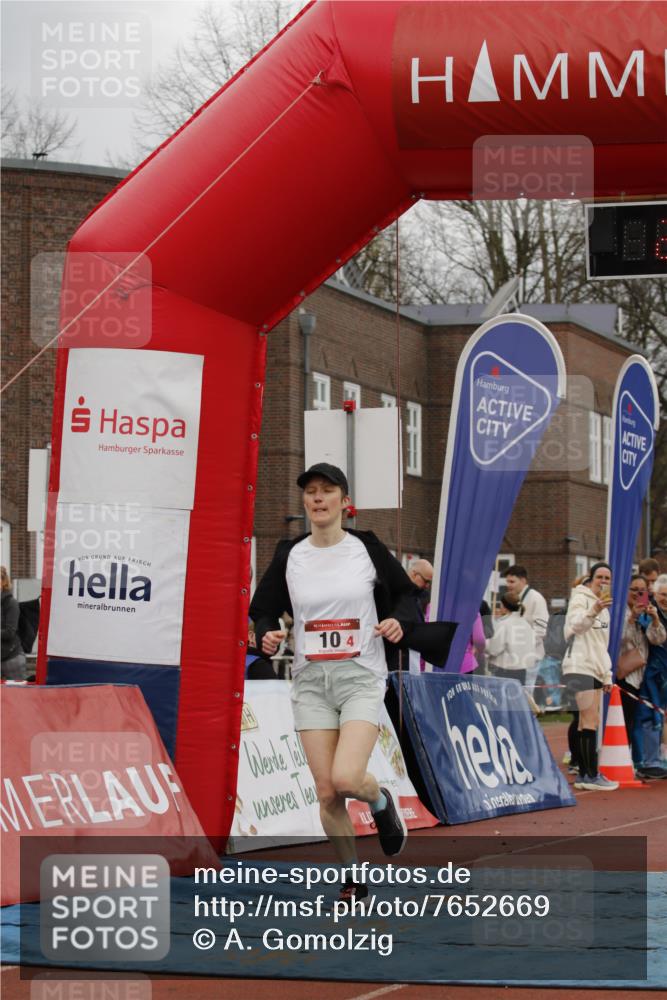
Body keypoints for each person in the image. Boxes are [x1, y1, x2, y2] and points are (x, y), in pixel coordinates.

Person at [250, 463, 416, 905]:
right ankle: (353, 877)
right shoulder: (291, 554)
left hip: (360, 675)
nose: (317, 499)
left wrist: (398, 620)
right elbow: (262, 609)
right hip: (310, 680)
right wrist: (268, 631)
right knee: (326, 791)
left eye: (327, 491)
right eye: (310, 493)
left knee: (346, 778)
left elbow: (405, 594)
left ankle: (380, 799)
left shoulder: (366, 548)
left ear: (345, 502)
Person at [561, 561, 618, 791]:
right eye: (600, 577)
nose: (603, 582)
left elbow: (601, 645)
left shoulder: (605, 609)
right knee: (588, 720)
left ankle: (586, 774)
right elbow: (574, 626)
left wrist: (606, 675)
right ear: (591, 578)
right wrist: (593, 609)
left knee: (588, 721)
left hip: (594, 667)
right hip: (579, 665)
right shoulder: (580, 598)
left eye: (607, 578)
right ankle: (590, 774)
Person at [617, 574, 666, 768]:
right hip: (622, 673)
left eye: (642, 590)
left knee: (637, 719)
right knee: (627, 720)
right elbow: (618, 640)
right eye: (634, 590)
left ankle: (638, 760)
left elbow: (658, 639)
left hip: (640, 674)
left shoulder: (648, 613)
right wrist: (632, 618)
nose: (639, 593)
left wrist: (654, 619)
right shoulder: (619, 613)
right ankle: (632, 760)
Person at [502, 565, 548, 696]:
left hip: (529, 656)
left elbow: (541, 629)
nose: (508, 585)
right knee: (515, 694)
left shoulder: (535, 598)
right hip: (514, 657)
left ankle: (527, 716)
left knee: (526, 694)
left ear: (523, 581)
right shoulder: (512, 599)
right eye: (507, 581)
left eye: (512, 581)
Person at [486, 595, 537, 686]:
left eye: (501, 605)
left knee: (501, 698)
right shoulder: (527, 624)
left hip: (504, 669)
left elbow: (494, 649)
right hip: (521, 669)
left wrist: (486, 645)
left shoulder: (503, 624)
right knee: (516, 698)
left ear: (505, 608)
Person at [1, 566, 27, 681]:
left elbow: (10, 632)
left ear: (3, 582)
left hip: (12, 659)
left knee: (19, 697)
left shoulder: (11, 603)